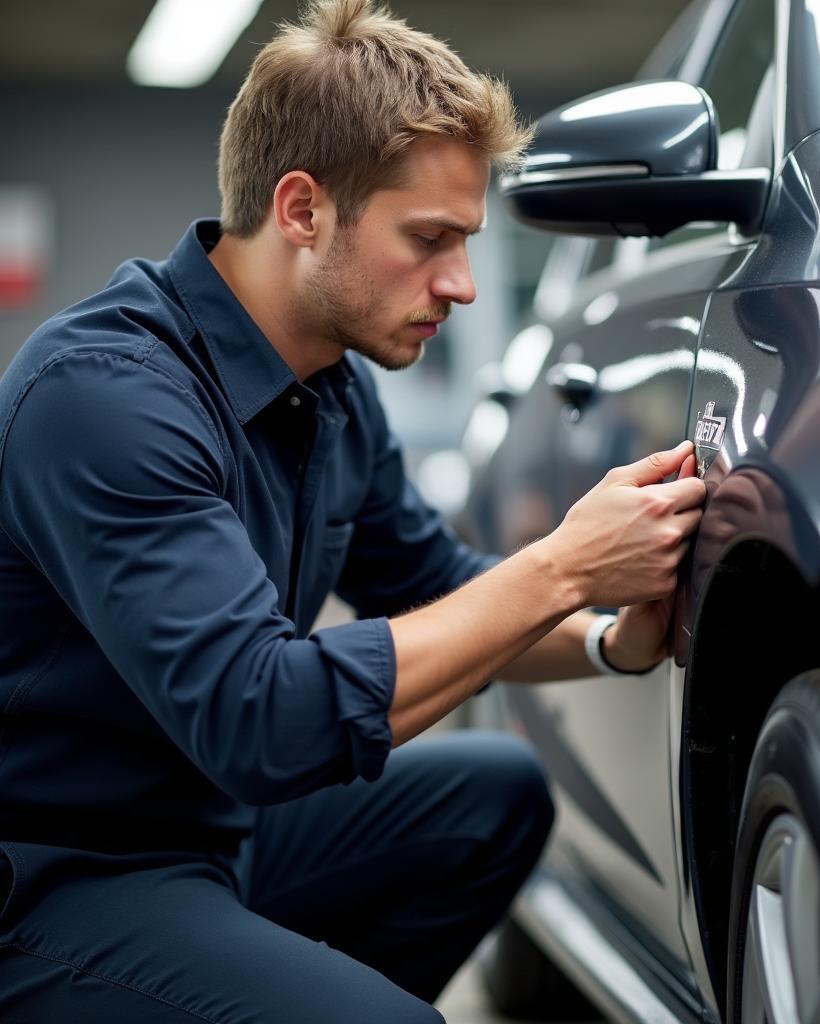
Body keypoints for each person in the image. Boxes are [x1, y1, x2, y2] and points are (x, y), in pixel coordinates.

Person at [0, 0, 706, 1020]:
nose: (460, 283)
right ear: (302, 210)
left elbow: (440, 592)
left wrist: (609, 642)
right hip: (57, 875)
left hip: (211, 829)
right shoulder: (105, 395)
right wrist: (563, 566)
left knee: (494, 797)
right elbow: (263, 721)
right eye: (428, 239)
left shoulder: (330, 387)